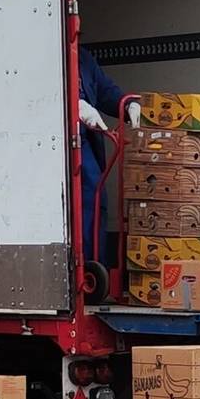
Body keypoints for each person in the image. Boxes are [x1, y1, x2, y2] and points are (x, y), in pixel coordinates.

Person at [75, 46, 127, 268]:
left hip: (86, 139)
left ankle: (96, 265)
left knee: (96, 199)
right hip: (62, 142)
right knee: (89, 196)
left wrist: (128, 103)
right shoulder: (44, 56)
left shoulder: (84, 58)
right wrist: (74, 105)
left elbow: (106, 91)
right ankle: (86, 266)